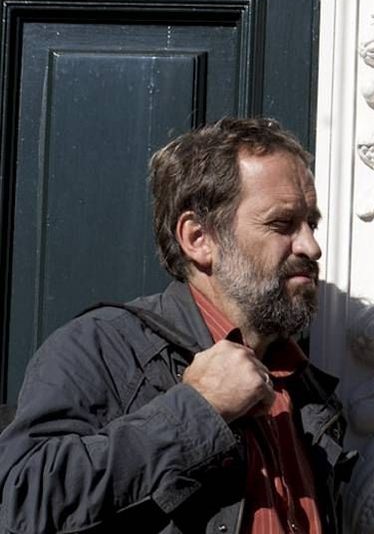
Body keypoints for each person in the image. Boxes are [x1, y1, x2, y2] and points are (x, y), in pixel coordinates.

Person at [0, 118, 355, 533]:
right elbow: (20, 499)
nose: (311, 246)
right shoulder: (103, 348)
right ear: (199, 237)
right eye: (282, 224)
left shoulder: (305, 386)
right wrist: (198, 409)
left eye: (312, 223)